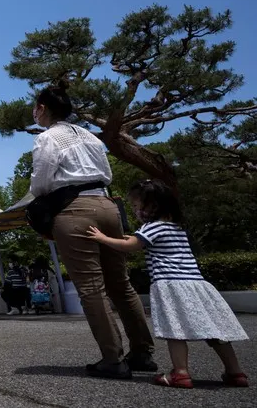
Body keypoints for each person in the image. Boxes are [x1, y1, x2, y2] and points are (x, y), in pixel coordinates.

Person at [30, 81, 154, 378]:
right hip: (107, 204)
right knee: (121, 284)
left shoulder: (47, 138)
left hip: (75, 211)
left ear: (43, 108)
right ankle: (143, 353)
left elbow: (41, 183)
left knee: (91, 287)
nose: (34, 113)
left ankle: (113, 358)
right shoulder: (88, 135)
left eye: (35, 108)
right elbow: (107, 173)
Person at [89, 180, 249, 389]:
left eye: (138, 207)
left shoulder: (152, 227)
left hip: (171, 285)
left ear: (153, 206)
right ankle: (235, 372)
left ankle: (180, 374)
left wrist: (102, 238)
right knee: (217, 332)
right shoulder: (177, 228)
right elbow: (144, 241)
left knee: (176, 331)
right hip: (198, 286)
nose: (136, 211)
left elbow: (130, 246)